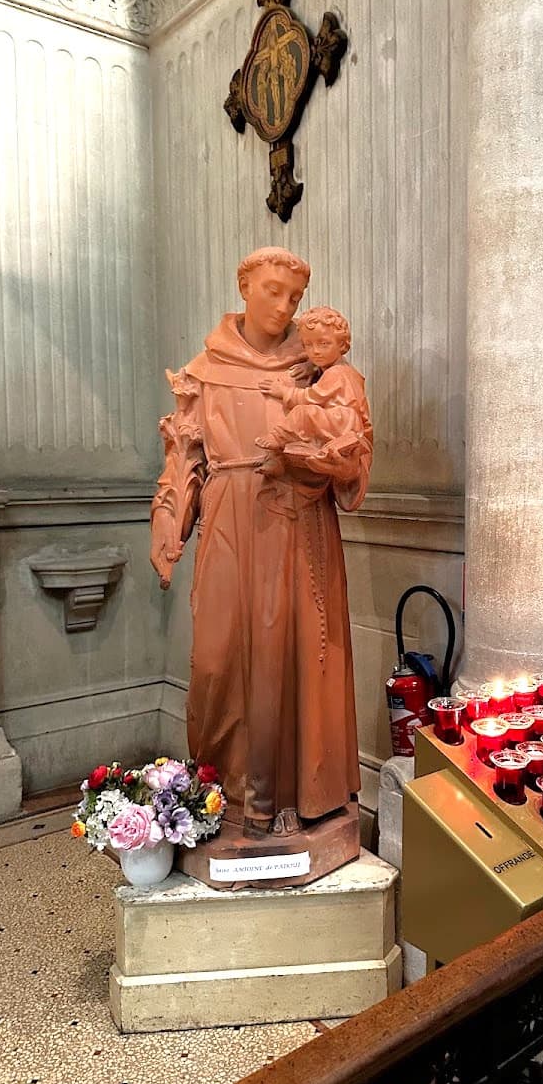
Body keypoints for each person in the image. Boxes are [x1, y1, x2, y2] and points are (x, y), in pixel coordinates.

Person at [149, 247, 372, 836]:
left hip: (296, 518)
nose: (285, 306)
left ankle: (285, 799)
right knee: (217, 655)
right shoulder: (203, 371)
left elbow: (350, 444)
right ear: (244, 287)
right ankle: (219, 791)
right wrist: (169, 528)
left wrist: (326, 455)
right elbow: (183, 458)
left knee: (294, 655)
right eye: (273, 291)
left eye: (295, 297)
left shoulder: (315, 370)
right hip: (227, 515)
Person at [255, 306, 371, 472]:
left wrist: (284, 392)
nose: (315, 351)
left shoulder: (337, 372)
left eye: (324, 344)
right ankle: (280, 459)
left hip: (342, 422)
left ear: (342, 344)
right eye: (308, 345)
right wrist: (312, 366)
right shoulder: (335, 368)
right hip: (340, 422)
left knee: (302, 413)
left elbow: (312, 396)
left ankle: (277, 437)